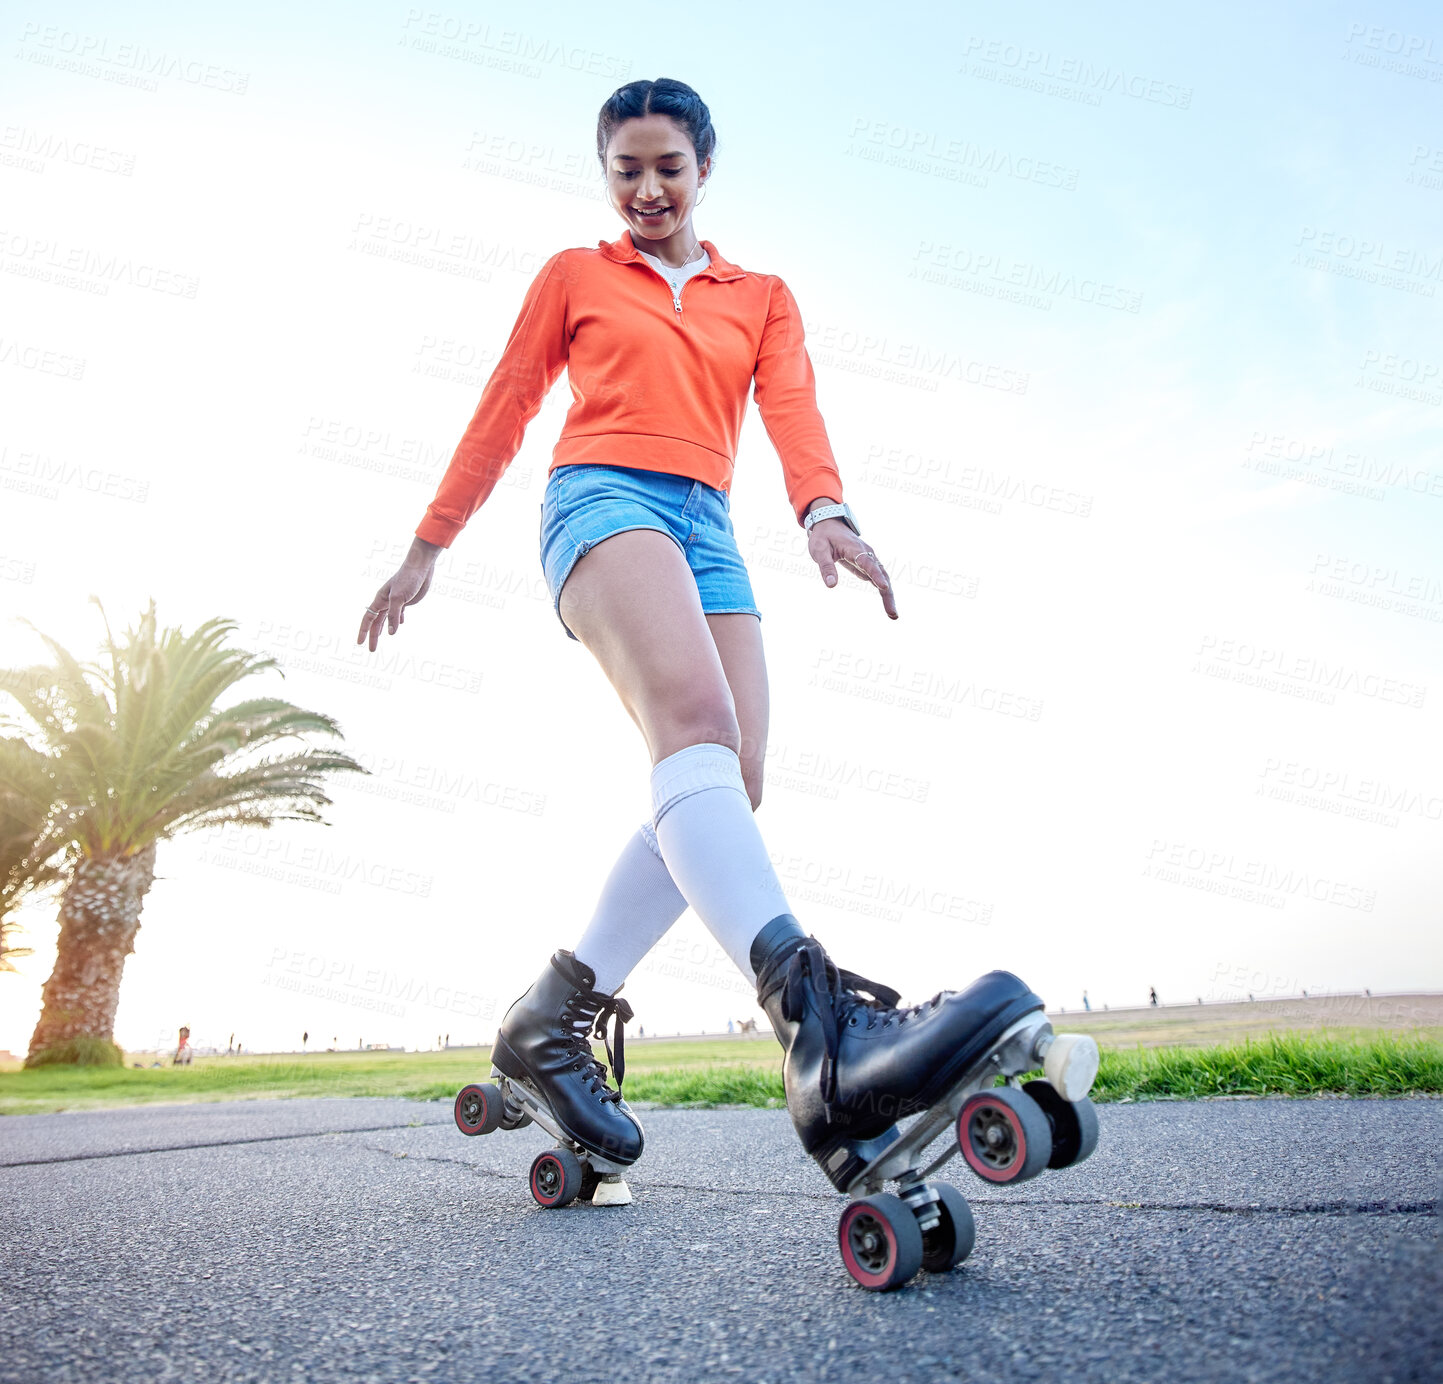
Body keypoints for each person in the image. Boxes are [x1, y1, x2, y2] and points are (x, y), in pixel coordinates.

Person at [357, 77, 1050, 1189]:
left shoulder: (760, 294)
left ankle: (551, 1017)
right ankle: (818, 1030)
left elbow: (792, 408)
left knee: (731, 778)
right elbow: (505, 402)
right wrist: (428, 543)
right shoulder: (574, 276)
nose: (645, 189)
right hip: (600, 497)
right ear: (606, 176)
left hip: (708, 525)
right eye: (624, 169)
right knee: (694, 723)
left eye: (666, 167)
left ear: (704, 169)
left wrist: (827, 511)